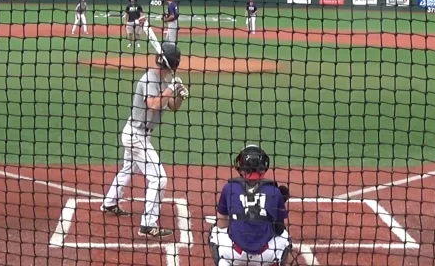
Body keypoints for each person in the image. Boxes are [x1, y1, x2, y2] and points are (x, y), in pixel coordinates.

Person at [101, 42, 189, 238]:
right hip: (136, 136)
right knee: (159, 178)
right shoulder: (149, 79)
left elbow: (172, 106)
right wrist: (170, 90)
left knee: (128, 169)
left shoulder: (162, 81)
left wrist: (180, 95)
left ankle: (109, 202)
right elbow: (153, 105)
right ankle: (148, 224)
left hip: (138, 134)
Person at [209, 145, 292, 265]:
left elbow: (222, 223)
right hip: (266, 255)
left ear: (242, 168)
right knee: (285, 237)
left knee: (215, 231)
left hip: (235, 254)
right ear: (263, 167)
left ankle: (224, 263)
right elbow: (279, 229)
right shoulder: (274, 191)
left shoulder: (229, 187)